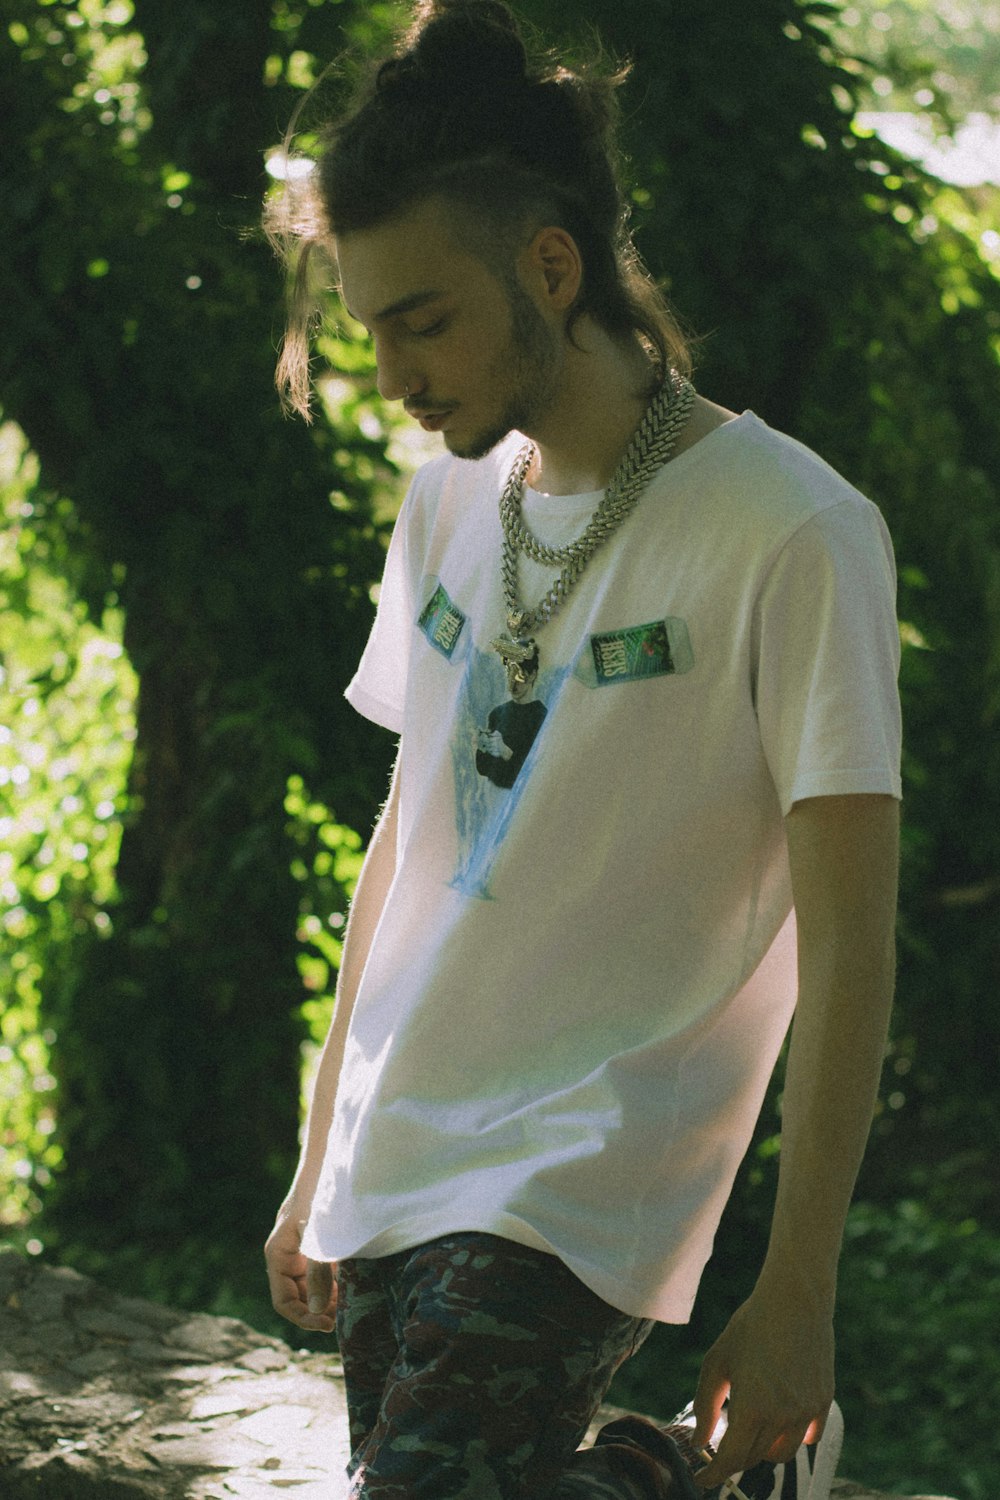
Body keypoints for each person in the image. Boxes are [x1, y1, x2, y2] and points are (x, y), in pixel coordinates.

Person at [263, 3, 902, 1496]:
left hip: (588, 1162)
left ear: (549, 265)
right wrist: (318, 1163)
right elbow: (405, 853)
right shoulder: (440, 511)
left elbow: (855, 942)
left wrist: (801, 1284)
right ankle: (687, 1478)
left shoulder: (795, 531)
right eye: (372, 331)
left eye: (425, 319)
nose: (398, 375)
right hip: (406, 1137)